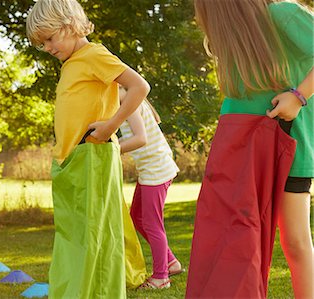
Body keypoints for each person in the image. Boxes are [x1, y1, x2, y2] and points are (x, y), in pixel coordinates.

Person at [186, 1, 313, 298]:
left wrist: (298, 96)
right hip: (240, 154)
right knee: (237, 238)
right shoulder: (232, 41)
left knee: (295, 241)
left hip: (289, 148)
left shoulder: (282, 13)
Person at [26, 0, 150, 297]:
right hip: (73, 162)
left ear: (69, 25)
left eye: (50, 38)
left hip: (93, 156)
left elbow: (139, 87)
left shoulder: (94, 54)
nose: (48, 48)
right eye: (42, 43)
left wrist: (110, 126)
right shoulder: (72, 64)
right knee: (74, 238)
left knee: (94, 238)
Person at [118, 86, 183, 289]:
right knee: (137, 216)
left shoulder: (128, 102)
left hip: (156, 169)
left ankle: (161, 277)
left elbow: (140, 138)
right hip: (151, 168)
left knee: (152, 224)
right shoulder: (126, 101)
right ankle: (171, 262)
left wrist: (113, 148)